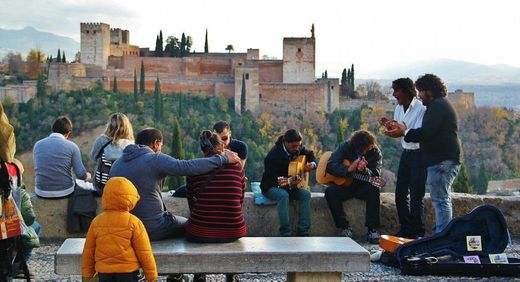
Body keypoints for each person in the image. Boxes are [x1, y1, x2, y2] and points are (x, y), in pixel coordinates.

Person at [109, 128, 240, 241]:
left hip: (122, 228)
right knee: (188, 224)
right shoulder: (154, 159)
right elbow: (186, 167)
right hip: (151, 228)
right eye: (160, 146)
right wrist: (223, 158)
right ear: (156, 143)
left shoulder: (117, 164)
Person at [385, 74, 462, 234]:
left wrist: (404, 131)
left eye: (421, 91)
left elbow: (425, 132)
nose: (419, 95)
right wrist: (397, 129)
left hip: (436, 158)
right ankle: (426, 233)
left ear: (429, 91)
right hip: (427, 156)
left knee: (435, 198)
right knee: (407, 194)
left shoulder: (433, 107)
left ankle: (436, 235)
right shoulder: (436, 105)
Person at [186, 130, 246, 282]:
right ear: (222, 147)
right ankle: (231, 274)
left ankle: (200, 273)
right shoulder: (238, 167)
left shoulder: (195, 168)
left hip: (200, 231)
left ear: (203, 150)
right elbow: (240, 200)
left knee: (189, 226)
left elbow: (192, 204)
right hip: (234, 229)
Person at [82, 177, 157, 282]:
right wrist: (151, 276)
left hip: (104, 272)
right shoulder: (134, 222)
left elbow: (88, 251)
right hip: (128, 272)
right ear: (131, 198)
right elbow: (144, 252)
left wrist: (87, 275)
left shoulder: (96, 222)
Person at [381, 78, 427, 239]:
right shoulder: (398, 108)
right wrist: (391, 127)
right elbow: (400, 133)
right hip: (406, 153)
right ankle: (406, 229)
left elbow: (419, 134)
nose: (394, 94)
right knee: (400, 194)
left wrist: (403, 131)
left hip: (419, 155)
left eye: (396, 90)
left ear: (406, 91)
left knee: (416, 195)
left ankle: (417, 232)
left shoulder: (421, 108)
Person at [324, 130, 382, 244]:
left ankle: (372, 230)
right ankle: (344, 227)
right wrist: (348, 169)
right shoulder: (345, 146)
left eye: (369, 148)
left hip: (363, 186)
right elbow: (331, 165)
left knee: (374, 189)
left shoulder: (375, 151)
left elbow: (376, 174)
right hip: (346, 185)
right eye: (364, 149)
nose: (367, 150)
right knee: (330, 192)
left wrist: (364, 170)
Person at [260, 129, 316, 236]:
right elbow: (271, 180)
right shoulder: (273, 156)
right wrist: (290, 183)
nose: (297, 148)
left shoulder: (297, 147)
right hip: (272, 186)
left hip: (291, 185)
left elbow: (310, 154)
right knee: (283, 195)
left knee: (306, 194)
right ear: (286, 143)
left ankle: (303, 230)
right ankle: (285, 232)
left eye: (298, 145)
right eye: (294, 146)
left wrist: (312, 164)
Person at [171, 120, 248, 198]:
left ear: (230, 133)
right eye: (218, 139)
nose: (222, 142)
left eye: (224, 138)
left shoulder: (240, 147)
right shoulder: (210, 147)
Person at [33, 116, 91, 198]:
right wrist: (88, 176)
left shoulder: (37, 145)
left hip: (41, 191)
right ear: (68, 133)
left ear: (53, 129)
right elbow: (80, 174)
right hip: (64, 192)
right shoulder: (72, 147)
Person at [89, 113, 134, 193]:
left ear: (109, 126)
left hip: (101, 186)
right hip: (122, 186)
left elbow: (92, 158)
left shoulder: (101, 140)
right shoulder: (130, 144)